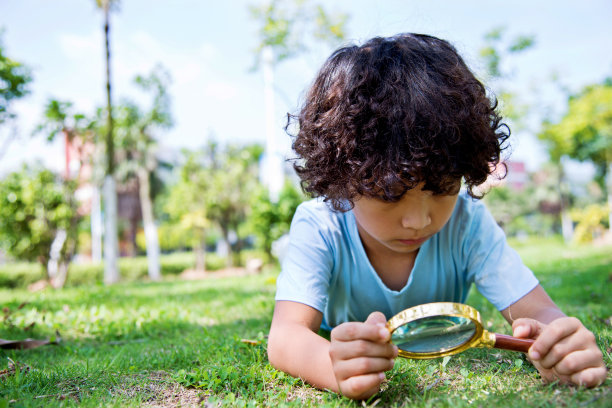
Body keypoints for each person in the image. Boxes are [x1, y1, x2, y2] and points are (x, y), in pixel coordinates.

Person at [267, 33, 607, 400]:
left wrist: (562, 342)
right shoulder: (319, 225)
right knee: (295, 261)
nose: (417, 220)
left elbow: (539, 311)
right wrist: (332, 364)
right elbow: (286, 336)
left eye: (442, 188)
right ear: (341, 181)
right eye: (388, 194)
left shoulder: (468, 222)